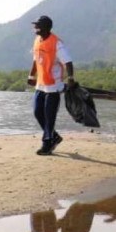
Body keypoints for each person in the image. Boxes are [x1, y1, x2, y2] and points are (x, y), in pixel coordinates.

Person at [27, 15, 73, 156]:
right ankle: (54, 136)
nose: (35, 27)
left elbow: (68, 62)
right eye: (35, 25)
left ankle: (47, 143)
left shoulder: (57, 44)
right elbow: (36, 60)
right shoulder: (37, 41)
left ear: (47, 27)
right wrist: (31, 75)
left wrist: (70, 78)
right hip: (41, 83)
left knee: (49, 115)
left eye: (38, 25)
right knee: (37, 112)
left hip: (54, 85)